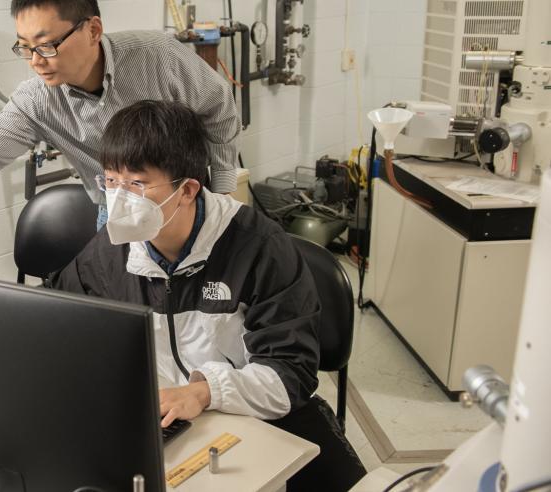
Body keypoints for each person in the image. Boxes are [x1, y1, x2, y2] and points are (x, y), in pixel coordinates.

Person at [50, 100, 366, 491]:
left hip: (256, 414)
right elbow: (57, 326)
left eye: (136, 184)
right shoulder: (111, 250)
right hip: (164, 422)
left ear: (187, 190)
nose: (119, 198)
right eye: (111, 181)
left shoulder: (258, 247)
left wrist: (204, 391)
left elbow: (290, 375)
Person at [0, 0, 240, 259]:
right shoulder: (38, 100)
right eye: (24, 47)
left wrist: (222, 195)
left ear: (92, 30)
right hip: (113, 211)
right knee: (125, 309)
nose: (36, 61)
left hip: (187, 201)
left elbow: (220, 108)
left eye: (47, 45)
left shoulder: (157, 57)